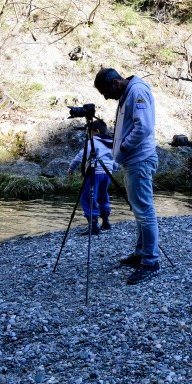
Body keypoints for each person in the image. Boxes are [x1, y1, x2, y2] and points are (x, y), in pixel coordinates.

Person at [93, 68, 160, 285]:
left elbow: (144, 128)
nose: (105, 97)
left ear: (115, 82)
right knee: (140, 210)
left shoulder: (137, 91)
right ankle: (141, 253)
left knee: (144, 211)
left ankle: (151, 261)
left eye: (105, 92)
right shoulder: (127, 92)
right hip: (133, 160)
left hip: (139, 159)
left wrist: (122, 146)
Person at [67, 118, 116, 235]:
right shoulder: (111, 143)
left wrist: (71, 168)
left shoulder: (92, 143)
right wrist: (112, 168)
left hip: (95, 172)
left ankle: (94, 225)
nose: (89, 134)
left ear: (96, 131)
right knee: (103, 194)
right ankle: (106, 221)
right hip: (107, 173)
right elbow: (116, 160)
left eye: (90, 131)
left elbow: (80, 156)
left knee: (88, 197)